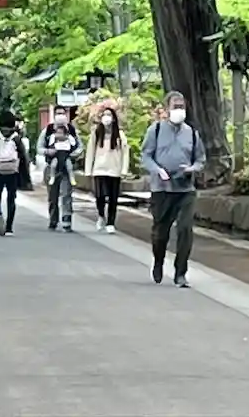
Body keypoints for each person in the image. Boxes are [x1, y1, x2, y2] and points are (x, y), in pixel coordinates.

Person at [140, 89, 205, 288]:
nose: (179, 110)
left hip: (185, 189)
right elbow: (146, 156)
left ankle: (180, 273)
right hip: (162, 189)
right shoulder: (156, 130)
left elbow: (200, 159)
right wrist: (158, 170)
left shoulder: (191, 133)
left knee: (185, 229)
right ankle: (158, 261)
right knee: (160, 232)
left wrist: (192, 169)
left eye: (182, 106)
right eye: (175, 107)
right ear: (167, 109)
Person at [0, 109, 31, 237]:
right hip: (12, 171)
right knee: (11, 199)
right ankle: (9, 227)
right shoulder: (16, 137)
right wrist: (25, 175)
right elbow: (24, 156)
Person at [37, 107, 82, 232]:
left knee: (66, 194)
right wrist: (48, 151)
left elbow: (80, 147)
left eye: (62, 113)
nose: (60, 116)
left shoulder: (71, 130)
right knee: (53, 196)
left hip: (66, 167)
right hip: (52, 165)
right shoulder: (48, 130)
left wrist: (71, 155)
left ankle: (67, 220)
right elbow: (39, 148)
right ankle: (53, 220)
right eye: (58, 113)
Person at [86, 103, 129, 233]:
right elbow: (90, 152)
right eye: (104, 115)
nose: (106, 117)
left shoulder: (120, 135)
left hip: (114, 170)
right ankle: (101, 216)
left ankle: (111, 222)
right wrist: (88, 169)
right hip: (99, 169)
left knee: (113, 198)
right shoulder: (96, 133)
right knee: (99, 196)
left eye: (109, 115)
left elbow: (125, 153)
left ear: (114, 118)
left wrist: (124, 170)